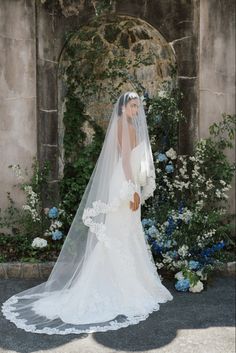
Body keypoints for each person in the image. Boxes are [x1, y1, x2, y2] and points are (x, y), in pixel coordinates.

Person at [1, 92, 173, 335]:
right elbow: (125, 161)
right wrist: (132, 190)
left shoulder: (127, 125)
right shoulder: (125, 127)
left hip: (127, 183)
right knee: (118, 233)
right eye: (133, 106)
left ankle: (124, 280)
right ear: (123, 108)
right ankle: (116, 283)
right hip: (124, 185)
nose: (137, 110)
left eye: (138, 106)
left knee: (124, 233)